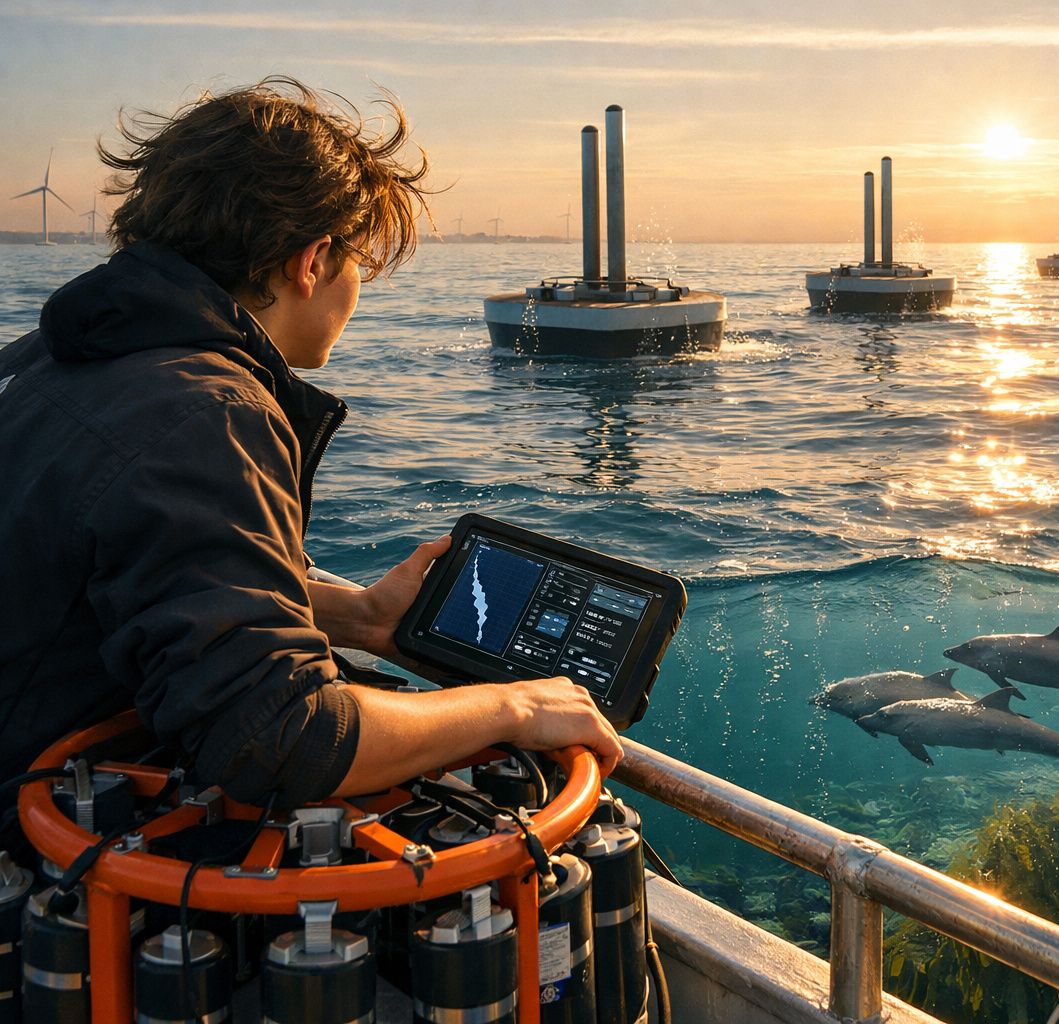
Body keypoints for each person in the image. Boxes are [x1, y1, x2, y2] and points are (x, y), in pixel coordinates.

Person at [0, 78, 621, 850]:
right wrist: (514, 708)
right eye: (358, 258)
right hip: (37, 841)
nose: (358, 285)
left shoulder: (52, 358)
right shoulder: (208, 412)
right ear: (313, 260)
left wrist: (357, 617)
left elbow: (109, 584)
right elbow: (278, 737)